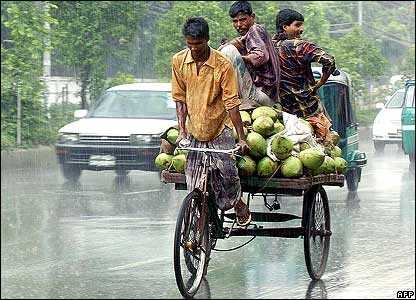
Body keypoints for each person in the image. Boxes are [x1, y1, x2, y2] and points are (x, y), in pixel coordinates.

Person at [171, 17, 251, 226]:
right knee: (194, 183)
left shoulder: (222, 65)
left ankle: (237, 202)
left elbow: (232, 103)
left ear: (207, 40)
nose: (194, 49)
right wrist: (182, 130)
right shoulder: (179, 61)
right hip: (194, 129)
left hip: (219, 127)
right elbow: (179, 98)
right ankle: (199, 218)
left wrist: (241, 138)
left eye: (198, 44)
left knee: (227, 174)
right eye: (190, 44)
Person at [272, 8, 336, 142]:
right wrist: (321, 82)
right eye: (297, 25)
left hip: (283, 115)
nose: (301, 29)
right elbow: (329, 61)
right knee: (324, 145)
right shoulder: (301, 46)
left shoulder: (269, 47)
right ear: (285, 27)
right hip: (309, 111)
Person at [219, 1, 280, 110]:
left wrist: (237, 58)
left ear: (252, 17)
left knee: (229, 51)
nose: (238, 25)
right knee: (226, 49)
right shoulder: (249, 36)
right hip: (268, 97)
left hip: (262, 95)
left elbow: (260, 56)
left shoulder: (255, 29)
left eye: (242, 20)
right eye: (235, 21)